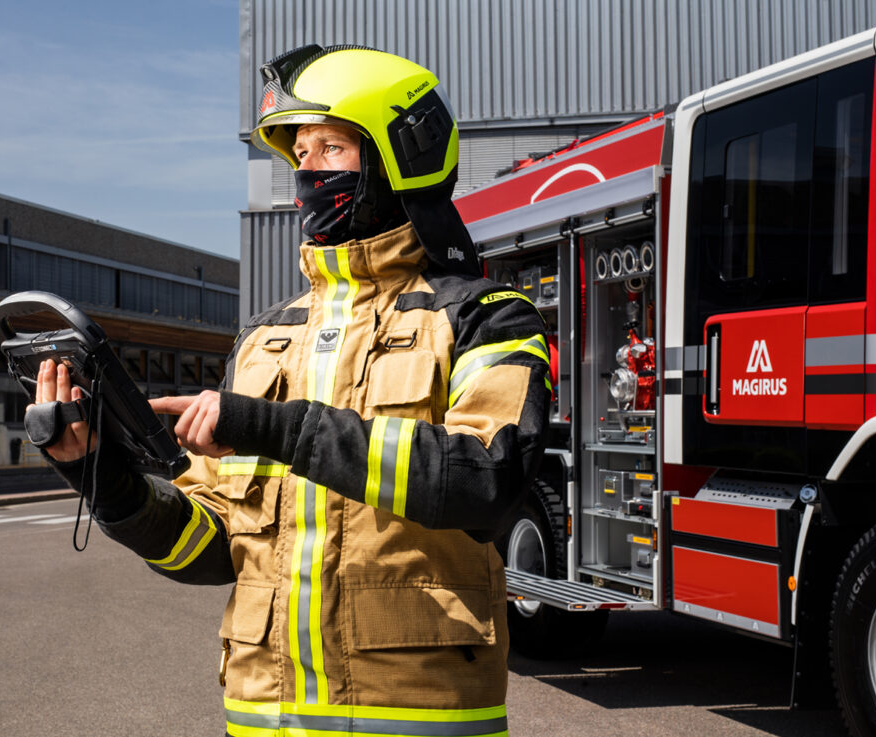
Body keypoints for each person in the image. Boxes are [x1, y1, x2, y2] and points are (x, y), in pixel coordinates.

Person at [33, 44, 550, 737]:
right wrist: (106, 479)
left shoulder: (486, 317)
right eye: (299, 153)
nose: (305, 173)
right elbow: (213, 547)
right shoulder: (264, 337)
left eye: (329, 148)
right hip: (260, 718)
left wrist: (272, 427)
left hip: (416, 716)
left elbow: (485, 477)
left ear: (400, 157)